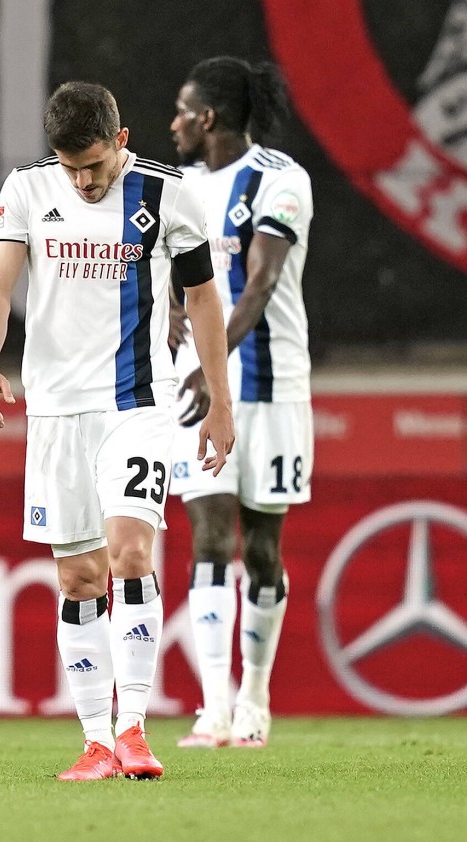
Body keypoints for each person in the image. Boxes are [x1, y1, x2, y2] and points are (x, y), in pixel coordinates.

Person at [0, 82, 235, 781]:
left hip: (136, 403)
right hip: (56, 411)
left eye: (92, 165)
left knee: (129, 552)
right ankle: (94, 742)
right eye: (70, 168)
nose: (82, 182)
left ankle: (134, 730)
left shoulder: (169, 194)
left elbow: (203, 297)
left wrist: (220, 400)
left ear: (121, 141)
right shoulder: (28, 190)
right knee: (79, 574)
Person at [167, 57, 314, 749]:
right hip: (193, 386)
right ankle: (213, 706)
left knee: (260, 549)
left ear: (209, 118)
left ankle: (255, 698)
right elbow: (172, 276)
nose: (172, 125)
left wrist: (212, 364)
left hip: (269, 386)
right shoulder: (176, 189)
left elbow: (259, 283)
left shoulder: (281, 180)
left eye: (181, 112)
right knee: (208, 537)